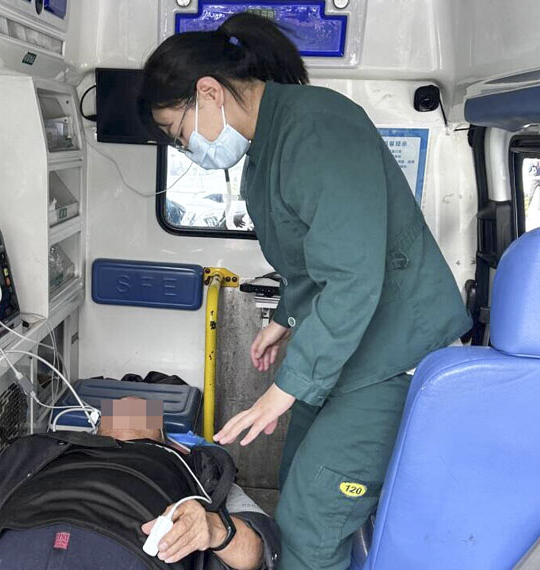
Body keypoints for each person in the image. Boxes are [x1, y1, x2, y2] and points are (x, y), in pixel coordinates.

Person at [138, 12, 472, 570]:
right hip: (352, 353)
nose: (187, 146)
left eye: (179, 131)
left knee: (311, 523)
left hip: (394, 359)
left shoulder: (316, 129)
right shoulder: (267, 145)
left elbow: (352, 276)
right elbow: (311, 262)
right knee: (294, 482)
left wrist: (285, 389)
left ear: (209, 92)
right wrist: (284, 318)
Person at [0, 397, 279, 570]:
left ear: (171, 442)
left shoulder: (195, 466)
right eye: (118, 411)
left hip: (127, 550)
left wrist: (214, 528)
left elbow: (258, 550)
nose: (130, 412)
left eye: (144, 415)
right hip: (14, 545)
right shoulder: (42, 452)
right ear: (92, 431)